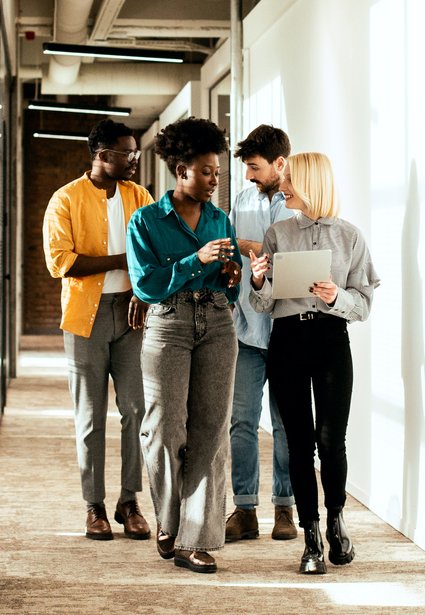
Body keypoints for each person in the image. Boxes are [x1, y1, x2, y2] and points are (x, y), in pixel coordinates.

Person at [248, 152, 380, 575]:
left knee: (331, 440)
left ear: (309, 183)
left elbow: (363, 305)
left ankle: (338, 521)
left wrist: (334, 297)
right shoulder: (277, 233)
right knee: (297, 444)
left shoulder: (350, 237)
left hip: (330, 339)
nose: (280, 186)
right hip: (287, 340)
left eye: (287, 180)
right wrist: (257, 280)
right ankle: (311, 538)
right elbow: (265, 304)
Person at [126, 117, 242, 574]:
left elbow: (230, 289)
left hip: (216, 322)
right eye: (207, 171)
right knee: (163, 429)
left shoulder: (220, 219)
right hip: (168, 323)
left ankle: (195, 539)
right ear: (181, 170)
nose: (215, 179)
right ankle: (168, 521)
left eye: (218, 172)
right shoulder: (147, 221)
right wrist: (197, 260)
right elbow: (147, 284)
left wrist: (232, 279)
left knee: (211, 433)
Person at [42, 119, 154, 541]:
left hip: (131, 316)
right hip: (84, 319)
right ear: (103, 155)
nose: (135, 161)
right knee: (90, 416)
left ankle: (129, 501)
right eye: (128, 154)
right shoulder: (65, 199)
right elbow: (61, 262)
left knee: (135, 411)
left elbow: (154, 251)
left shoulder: (139, 196)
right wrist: (120, 261)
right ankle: (94, 506)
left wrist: (139, 287)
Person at [225, 125, 297, 542]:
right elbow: (236, 257)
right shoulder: (241, 199)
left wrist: (248, 245)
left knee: (286, 425)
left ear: (279, 164)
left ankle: (284, 510)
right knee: (242, 423)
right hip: (248, 330)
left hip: (287, 330)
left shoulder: (299, 203)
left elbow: (292, 258)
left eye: (255, 167)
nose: (250, 175)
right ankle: (245, 508)